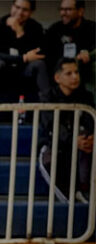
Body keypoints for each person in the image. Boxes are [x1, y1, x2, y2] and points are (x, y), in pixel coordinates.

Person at [0, 0, 49, 127]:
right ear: (12, 6)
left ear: (31, 12)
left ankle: (48, 113)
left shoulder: (35, 27)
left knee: (40, 65)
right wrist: (23, 58)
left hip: (24, 70)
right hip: (4, 70)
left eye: (25, 10)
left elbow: (38, 54)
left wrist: (20, 33)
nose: (19, 12)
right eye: (17, 7)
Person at [38, 57, 94, 203]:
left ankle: (84, 190)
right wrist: (72, 140)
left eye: (76, 72)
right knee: (50, 159)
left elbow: (90, 122)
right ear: (57, 78)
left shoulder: (86, 96)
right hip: (54, 146)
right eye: (69, 73)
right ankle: (71, 199)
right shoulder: (48, 97)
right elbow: (51, 125)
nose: (75, 77)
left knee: (87, 144)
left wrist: (90, 137)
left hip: (81, 147)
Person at [45, 0, 95, 94]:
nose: (63, 13)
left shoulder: (91, 28)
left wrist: (88, 53)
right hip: (59, 77)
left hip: (83, 75)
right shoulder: (54, 29)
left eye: (68, 9)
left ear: (80, 11)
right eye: (61, 9)